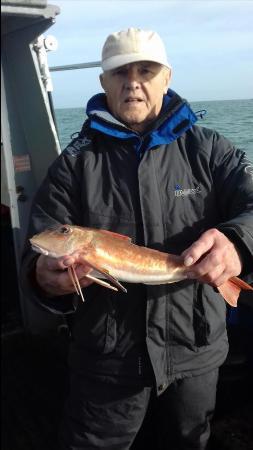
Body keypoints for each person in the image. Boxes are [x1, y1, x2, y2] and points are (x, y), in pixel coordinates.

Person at [21, 28, 253, 450]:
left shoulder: (212, 151)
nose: (133, 82)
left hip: (195, 352)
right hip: (106, 363)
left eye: (146, 70)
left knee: (189, 441)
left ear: (166, 78)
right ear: (103, 82)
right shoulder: (73, 165)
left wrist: (237, 243)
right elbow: (35, 260)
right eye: (120, 72)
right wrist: (44, 280)